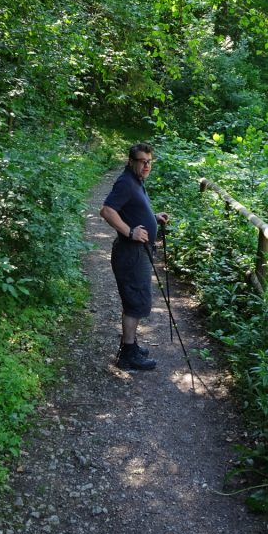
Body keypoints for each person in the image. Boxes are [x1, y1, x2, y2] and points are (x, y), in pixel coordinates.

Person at [99, 143, 169, 371]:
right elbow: (107, 210)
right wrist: (130, 231)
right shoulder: (126, 182)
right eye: (142, 161)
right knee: (135, 302)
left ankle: (130, 347)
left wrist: (152, 216)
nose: (147, 165)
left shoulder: (136, 180)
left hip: (137, 253)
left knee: (136, 300)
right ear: (131, 161)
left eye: (150, 161)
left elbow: (131, 208)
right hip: (130, 254)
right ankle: (127, 355)